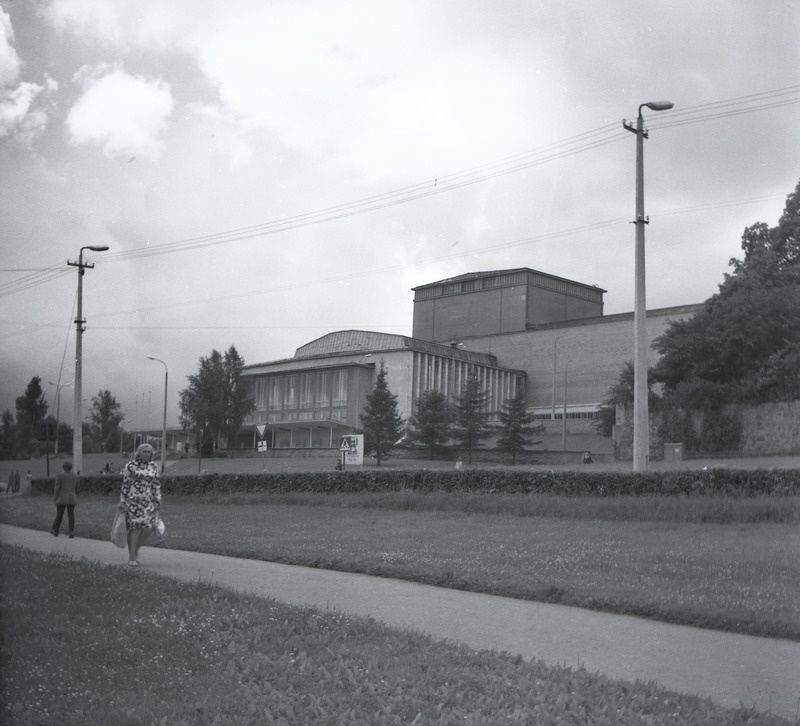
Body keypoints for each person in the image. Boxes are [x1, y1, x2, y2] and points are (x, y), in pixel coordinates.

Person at [119, 443, 162, 567]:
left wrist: (158, 501)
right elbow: (125, 484)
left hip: (147, 501)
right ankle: (132, 557)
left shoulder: (154, 466)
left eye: (149, 452)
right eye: (144, 451)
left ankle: (136, 549)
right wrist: (122, 501)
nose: (147, 454)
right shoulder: (131, 466)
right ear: (139, 452)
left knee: (149, 527)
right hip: (133, 501)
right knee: (134, 528)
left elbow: (156, 485)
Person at [51, 461, 78, 538]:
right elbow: (78, 487)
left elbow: (56, 488)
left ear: (64, 468)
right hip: (72, 498)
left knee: (59, 514)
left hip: (62, 498)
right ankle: (71, 531)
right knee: (71, 515)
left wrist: (55, 499)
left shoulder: (59, 475)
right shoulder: (75, 476)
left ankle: (55, 530)